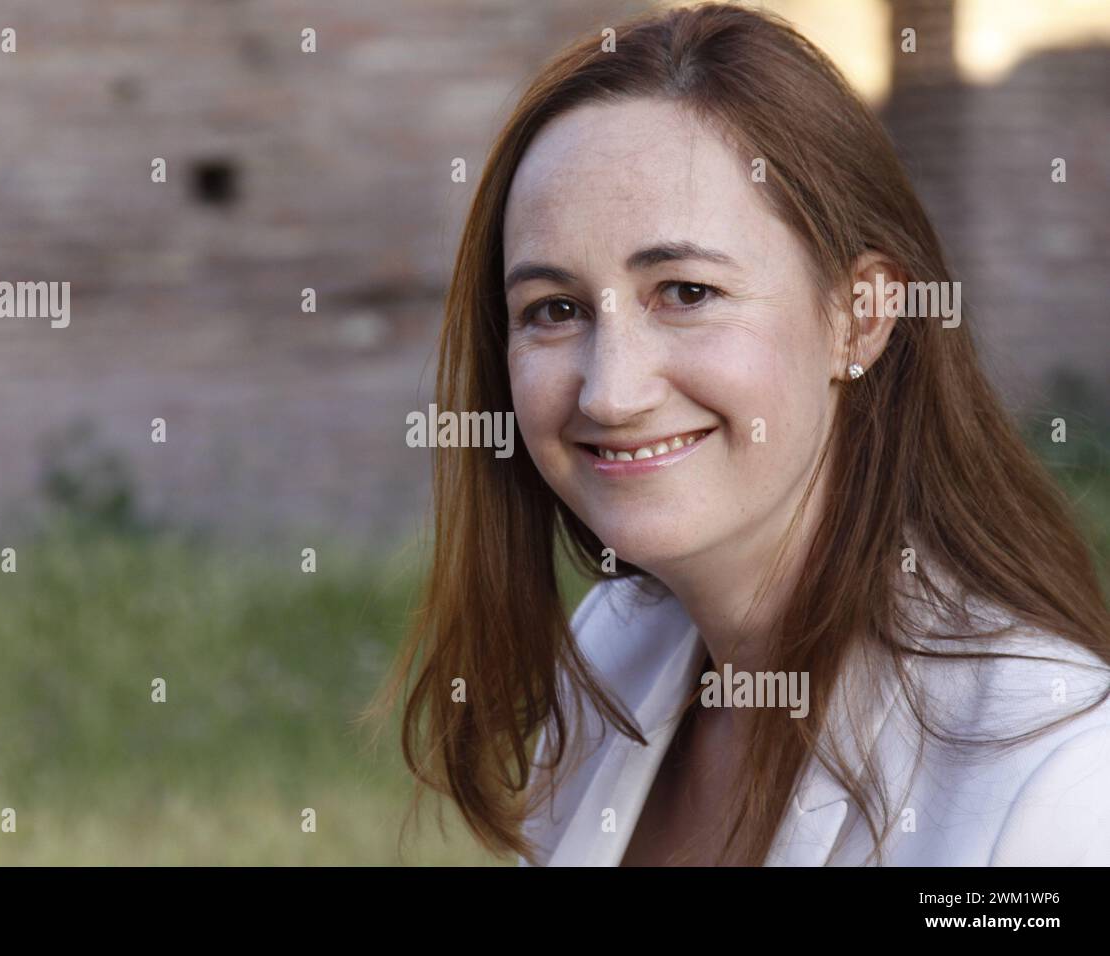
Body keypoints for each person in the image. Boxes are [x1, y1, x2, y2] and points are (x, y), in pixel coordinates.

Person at [372, 2, 1110, 865]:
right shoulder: (613, 649)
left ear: (860, 316)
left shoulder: (1058, 779)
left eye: (685, 292)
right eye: (556, 310)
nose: (611, 393)